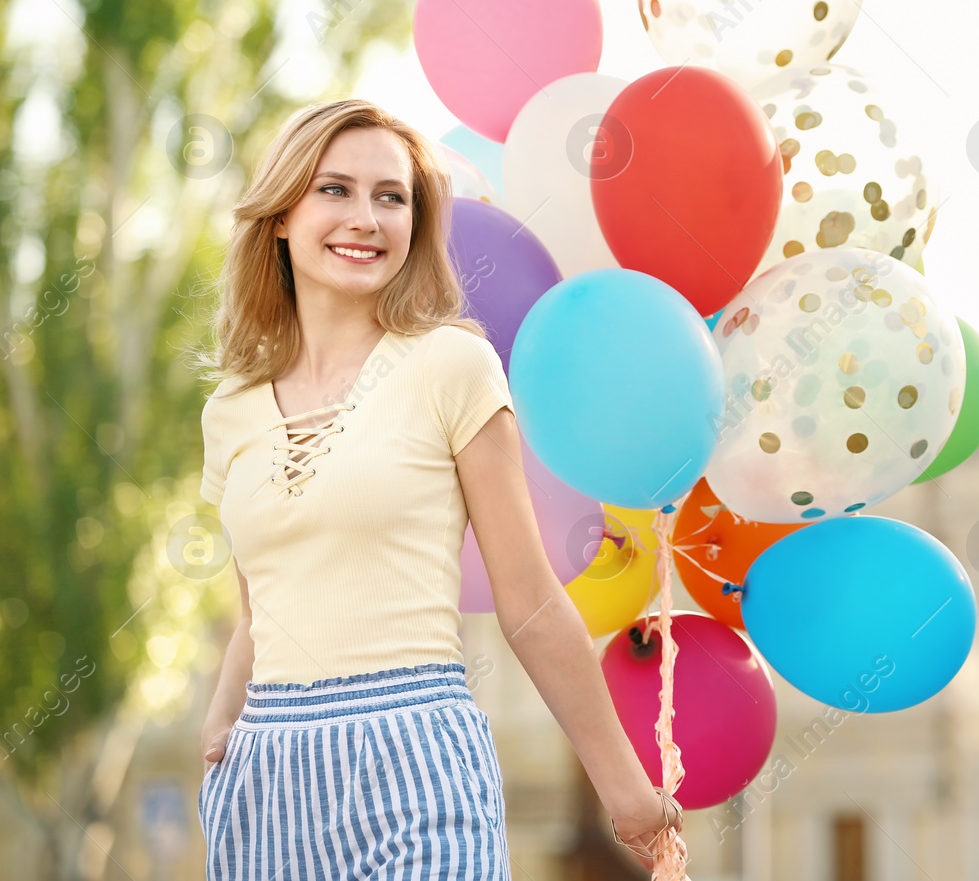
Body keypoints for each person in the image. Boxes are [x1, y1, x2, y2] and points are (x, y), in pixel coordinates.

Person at [193, 98, 682, 877]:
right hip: (266, 780)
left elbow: (530, 601)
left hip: (415, 758)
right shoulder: (232, 409)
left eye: (392, 197)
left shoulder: (452, 366)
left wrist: (627, 792)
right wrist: (221, 729)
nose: (367, 218)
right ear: (280, 215)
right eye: (335, 190)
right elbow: (263, 606)